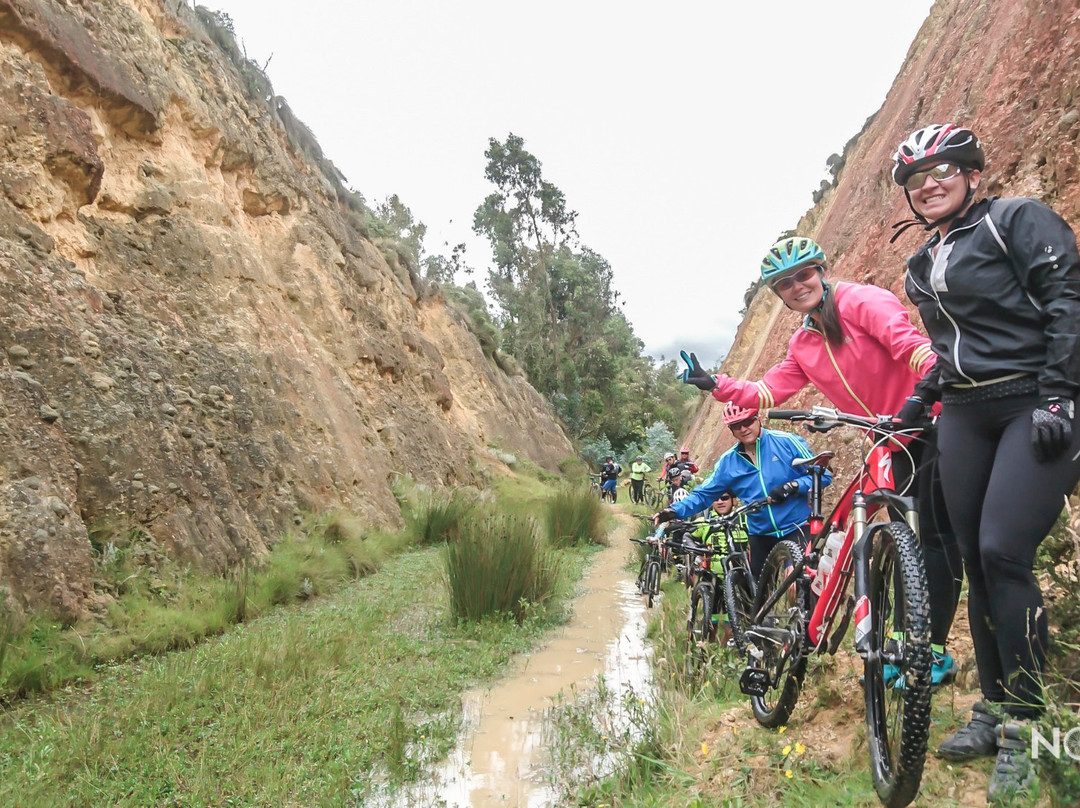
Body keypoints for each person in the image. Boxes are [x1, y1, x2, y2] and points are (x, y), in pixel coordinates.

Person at [890, 123, 1080, 803]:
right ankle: (994, 711)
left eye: (943, 171)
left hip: (1034, 401)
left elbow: (1066, 303)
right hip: (965, 415)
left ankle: (1029, 728)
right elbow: (950, 350)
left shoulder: (1016, 220)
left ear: (972, 173)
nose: (929, 184)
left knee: (1004, 552)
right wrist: (915, 404)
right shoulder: (921, 262)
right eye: (916, 180)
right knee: (973, 559)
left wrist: (1061, 395)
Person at [679, 235, 963, 689]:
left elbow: (909, 345)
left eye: (803, 274)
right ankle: (901, 636)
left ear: (821, 271)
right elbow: (766, 393)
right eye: (785, 284)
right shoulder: (803, 344)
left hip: (929, 423)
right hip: (887, 439)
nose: (797, 286)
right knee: (906, 538)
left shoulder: (862, 301)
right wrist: (717, 383)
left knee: (936, 539)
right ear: (778, 294)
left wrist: (927, 387)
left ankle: (932, 649)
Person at [656, 403, 829, 579]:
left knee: (796, 582)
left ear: (758, 419)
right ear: (731, 430)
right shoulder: (728, 462)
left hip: (796, 526)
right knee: (756, 596)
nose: (743, 429)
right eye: (736, 426)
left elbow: (823, 475)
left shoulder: (786, 442)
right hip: (760, 533)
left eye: (747, 421)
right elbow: (704, 494)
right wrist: (674, 511)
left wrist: (793, 486)